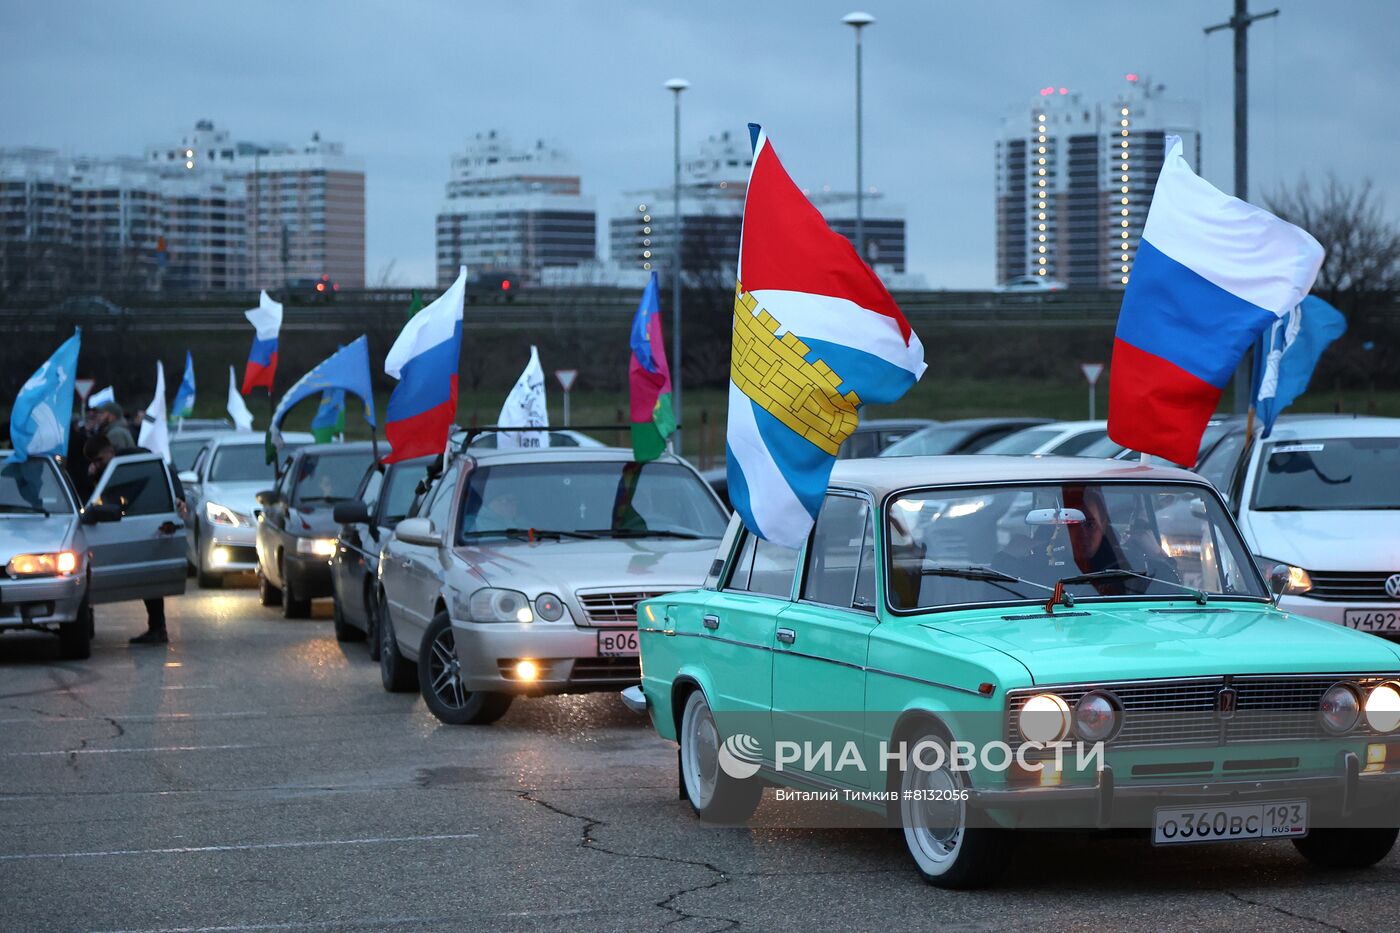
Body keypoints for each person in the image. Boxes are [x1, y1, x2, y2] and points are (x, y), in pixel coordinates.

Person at [83, 434, 187, 646]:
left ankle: (158, 628)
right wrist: (92, 477)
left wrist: (178, 497)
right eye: (94, 462)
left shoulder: (135, 459)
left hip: (148, 519)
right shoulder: (107, 471)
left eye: (100, 460)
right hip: (125, 522)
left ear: (110, 451)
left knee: (150, 578)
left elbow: (166, 472)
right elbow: (96, 499)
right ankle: (85, 626)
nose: (98, 465)